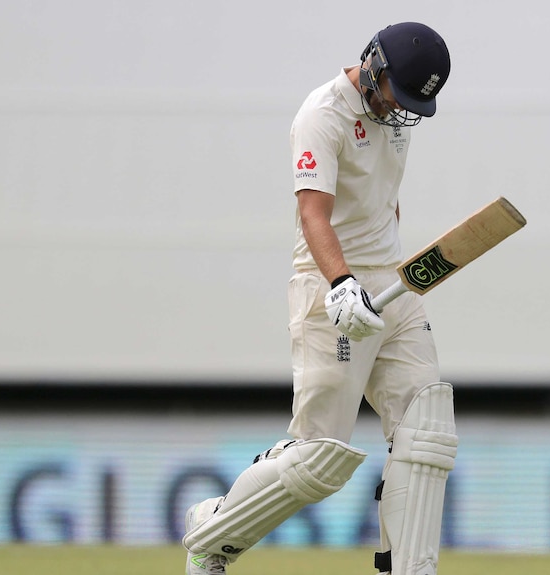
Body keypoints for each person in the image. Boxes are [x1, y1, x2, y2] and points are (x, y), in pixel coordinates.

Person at [182, 22, 458, 575]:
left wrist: (393, 268)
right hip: (332, 289)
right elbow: (314, 213)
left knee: (426, 427)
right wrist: (340, 284)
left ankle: (407, 567)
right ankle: (212, 537)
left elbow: (385, 203)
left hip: (393, 287)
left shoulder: (394, 117)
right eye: (394, 95)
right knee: (319, 458)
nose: (398, 110)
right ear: (373, 64)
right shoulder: (322, 114)